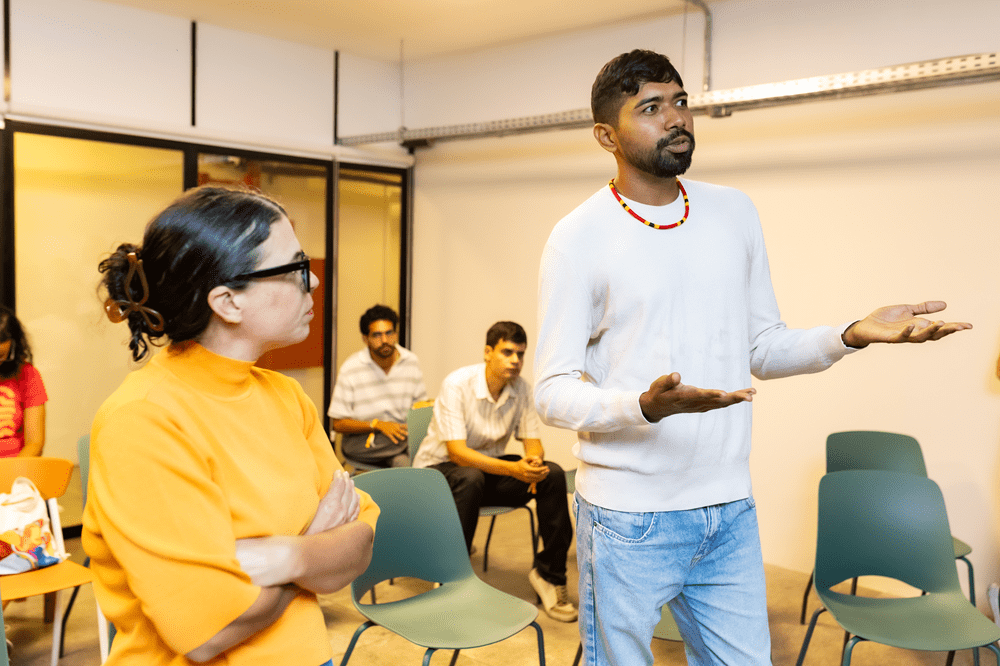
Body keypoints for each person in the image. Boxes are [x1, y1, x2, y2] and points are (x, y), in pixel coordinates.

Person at [533, 49, 972, 665]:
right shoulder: (577, 238)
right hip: (628, 520)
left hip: (728, 510)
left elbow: (761, 348)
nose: (676, 119)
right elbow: (550, 390)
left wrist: (849, 334)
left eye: (681, 102)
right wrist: (643, 407)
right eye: (651, 108)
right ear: (606, 134)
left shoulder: (732, 211)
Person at [83, 187, 379, 666]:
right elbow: (209, 630)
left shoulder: (286, 397)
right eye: (295, 269)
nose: (314, 284)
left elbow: (362, 540)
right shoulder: (143, 420)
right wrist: (315, 541)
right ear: (228, 302)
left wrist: (286, 556)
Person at [412, 321, 576, 622]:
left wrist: (533, 462)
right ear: (488, 352)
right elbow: (457, 454)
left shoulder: (522, 389)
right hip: (437, 474)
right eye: (507, 352)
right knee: (470, 476)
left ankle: (550, 577)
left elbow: (533, 443)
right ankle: (452, 579)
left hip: (483, 473)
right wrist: (513, 469)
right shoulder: (456, 384)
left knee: (551, 475)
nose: (516, 360)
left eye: (521, 354)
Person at [329, 305, 427, 468]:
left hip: (400, 436)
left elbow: (420, 408)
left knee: (402, 463)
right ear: (365, 339)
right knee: (411, 447)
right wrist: (378, 425)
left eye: (389, 333)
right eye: (377, 335)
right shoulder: (351, 368)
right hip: (364, 438)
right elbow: (338, 424)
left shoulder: (410, 361)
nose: (385, 340)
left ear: (395, 334)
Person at [0, 305, 47, 458]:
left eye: (1, 355)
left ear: (13, 347)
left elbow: (35, 443)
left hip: (15, 470)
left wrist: (13, 473)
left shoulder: (27, 375)